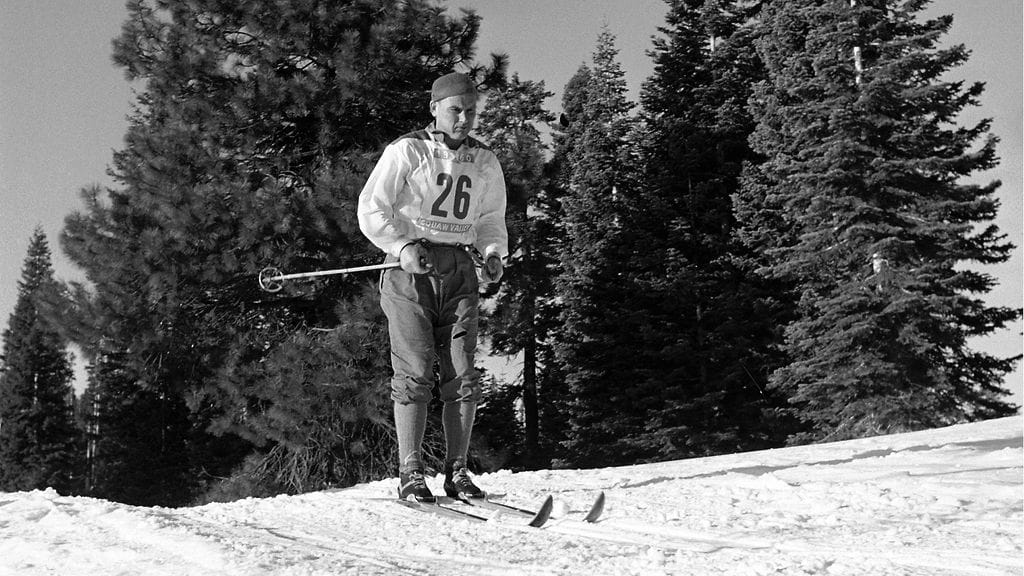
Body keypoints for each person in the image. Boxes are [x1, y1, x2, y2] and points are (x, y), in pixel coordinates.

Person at [357, 72, 508, 502]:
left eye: (471, 111)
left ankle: (457, 469)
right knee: (416, 369)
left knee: (462, 370)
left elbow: (490, 217)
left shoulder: (484, 160)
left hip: (459, 268)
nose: (464, 119)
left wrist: (493, 251)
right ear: (435, 108)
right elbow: (372, 207)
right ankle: (411, 470)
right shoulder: (408, 150)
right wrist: (402, 245)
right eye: (455, 110)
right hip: (411, 269)